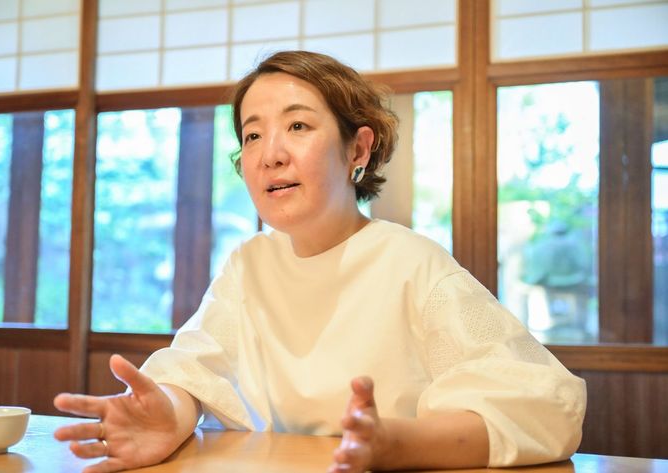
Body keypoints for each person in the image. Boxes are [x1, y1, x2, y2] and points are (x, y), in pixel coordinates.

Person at [53, 50, 586, 473]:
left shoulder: (411, 262)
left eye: (298, 127)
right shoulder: (249, 264)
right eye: (252, 135)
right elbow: (193, 371)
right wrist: (167, 417)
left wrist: (391, 444)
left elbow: (543, 405)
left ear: (358, 150)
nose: (270, 154)